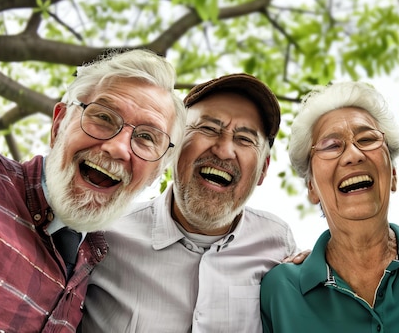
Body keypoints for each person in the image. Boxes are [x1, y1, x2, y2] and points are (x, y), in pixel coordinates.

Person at [0, 49, 185, 332]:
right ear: (58, 124)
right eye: (103, 117)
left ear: (155, 174)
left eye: (147, 137)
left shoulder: (96, 260)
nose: (118, 147)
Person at [81, 73, 298, 332]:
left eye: (245, 139)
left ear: (263, 169)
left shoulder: (278, 244)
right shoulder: (103, 234)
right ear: (172, 146)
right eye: (208, 128)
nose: (224, 150)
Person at [260, 82, 399, 332]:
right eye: (331, 145)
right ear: (311, 188)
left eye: (367, 139)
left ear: (393, 174)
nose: (353, 155)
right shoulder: (279, 291)